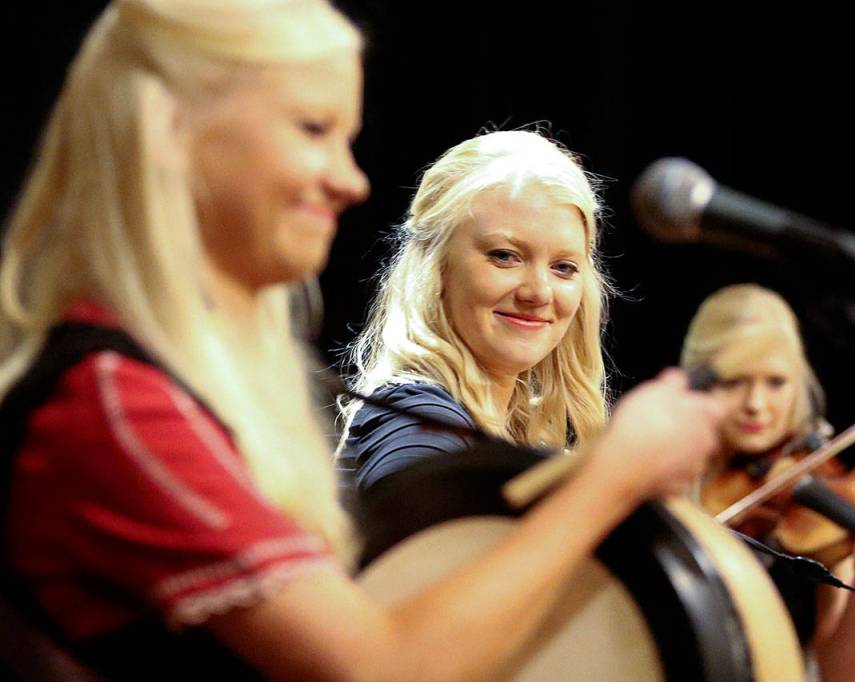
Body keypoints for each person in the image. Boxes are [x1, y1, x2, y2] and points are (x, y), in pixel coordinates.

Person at [0, 2, 722, 679]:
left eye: (565, 266)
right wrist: (611, 477)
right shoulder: (113, 407)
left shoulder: (161, 392)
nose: (350, 180)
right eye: (313, 130)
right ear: (170, 131)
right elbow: (378, 668)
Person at [339, 129, 612, 494]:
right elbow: (424, 548)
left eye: (563, 267)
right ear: (437, 267)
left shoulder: (508, 430)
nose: (539, 292)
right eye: (504, 256)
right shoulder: (422, 417)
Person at [681, 283, 855, 682]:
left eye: (776, 382)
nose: (757, 404)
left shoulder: (817, 492)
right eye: (735, 381)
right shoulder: (661, 477)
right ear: (699, 379)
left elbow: (838, 674)